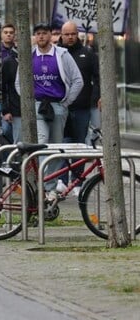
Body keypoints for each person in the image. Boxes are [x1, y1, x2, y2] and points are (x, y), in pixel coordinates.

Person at [16, 22, 83, 144]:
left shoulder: (63, 54)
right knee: (42, 139)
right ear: (35, 36)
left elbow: (78, 80)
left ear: (50, 35)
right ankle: (42, 157)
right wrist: (29, 101)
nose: (41, 36)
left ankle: (52, 157)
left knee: (56, 143)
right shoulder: (28, 56)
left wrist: (66, 102)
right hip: (37, 105)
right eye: (38, 34)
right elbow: (18, 82)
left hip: (58, 105)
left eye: (44, 33)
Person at [58, 21, 100, 192]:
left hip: (82, 107)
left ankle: (77, 181)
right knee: (61, 144)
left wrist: (95, 97)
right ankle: (61, 179)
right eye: (67, 34)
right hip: (61, 107)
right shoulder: (56, 53)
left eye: (73, 34)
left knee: (79, 144)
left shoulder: (88, 54)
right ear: (61, 35)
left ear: (77, 34)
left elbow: (97, 77)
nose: (70, 37)